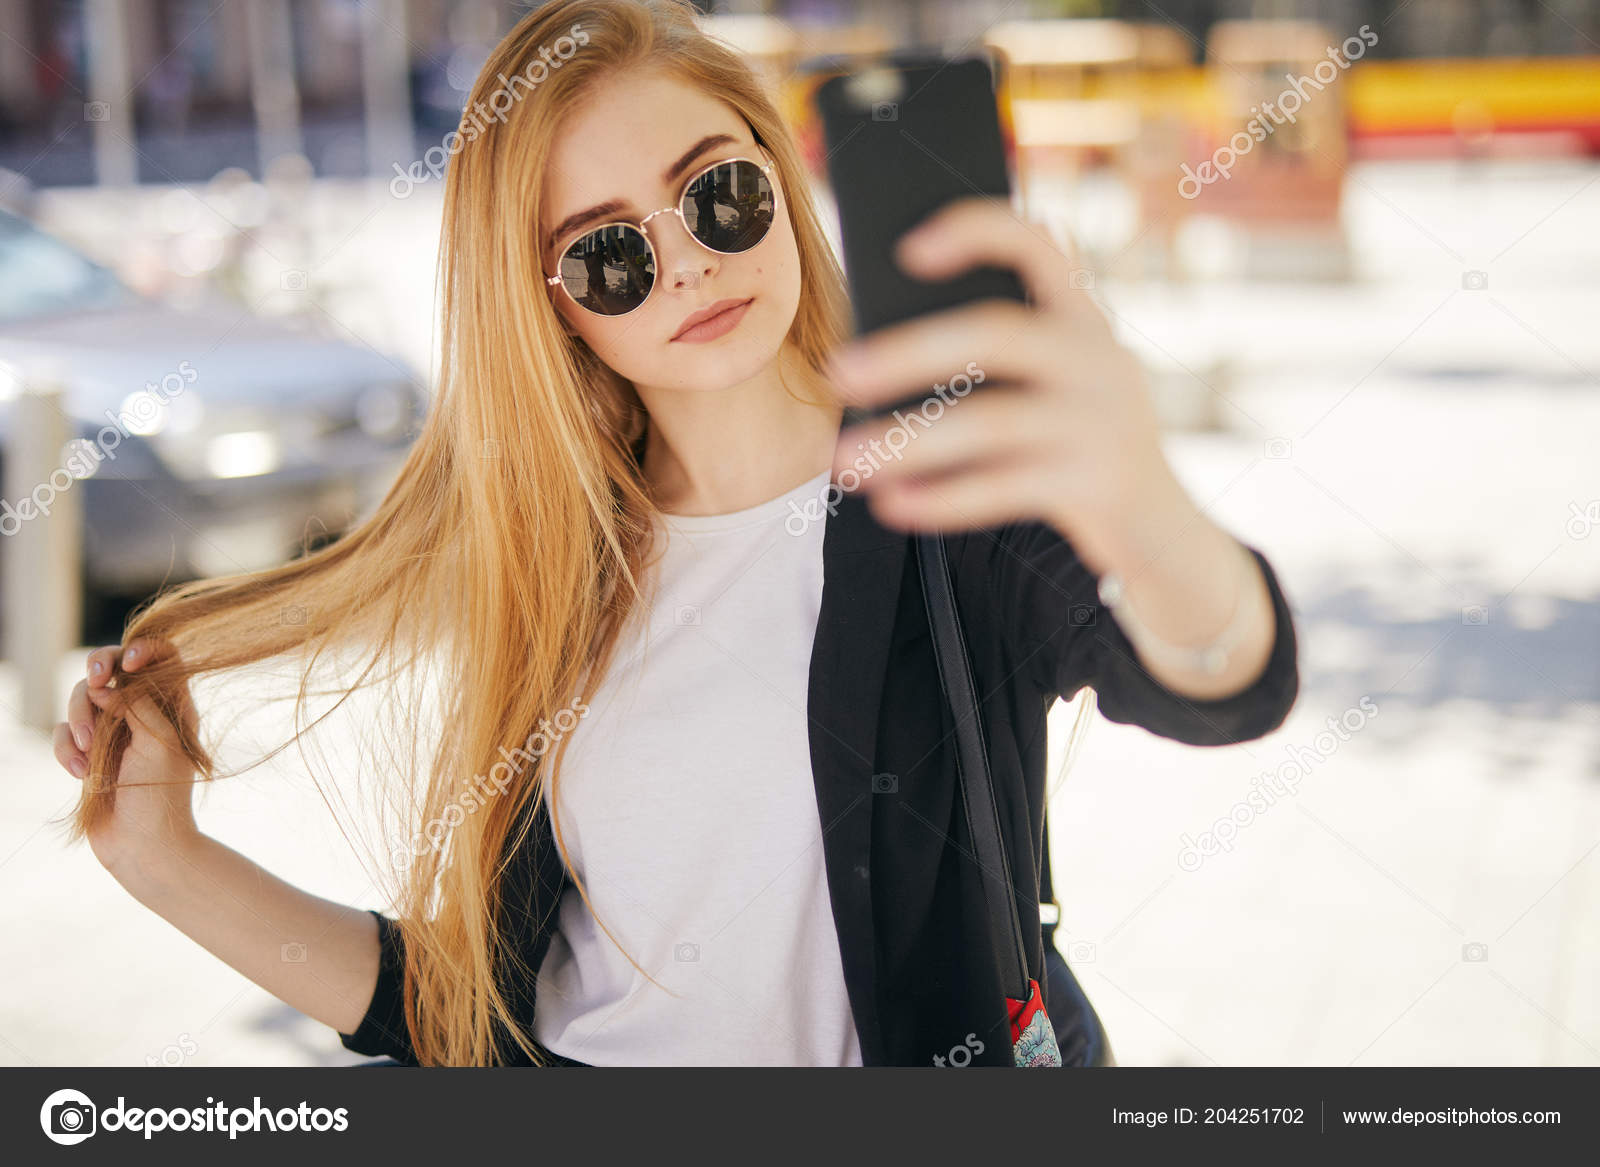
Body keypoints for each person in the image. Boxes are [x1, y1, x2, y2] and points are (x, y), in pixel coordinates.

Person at [53, 0, 1298, 1067]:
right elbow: (473, 1018)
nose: (689, 263)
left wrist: (1143, 504)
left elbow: (1222, 684)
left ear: (776, 171)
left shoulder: (950, 487)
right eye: (605, 256)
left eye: (718, 194)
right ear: (549, 311)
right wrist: (164, 860)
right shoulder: (556, 566)